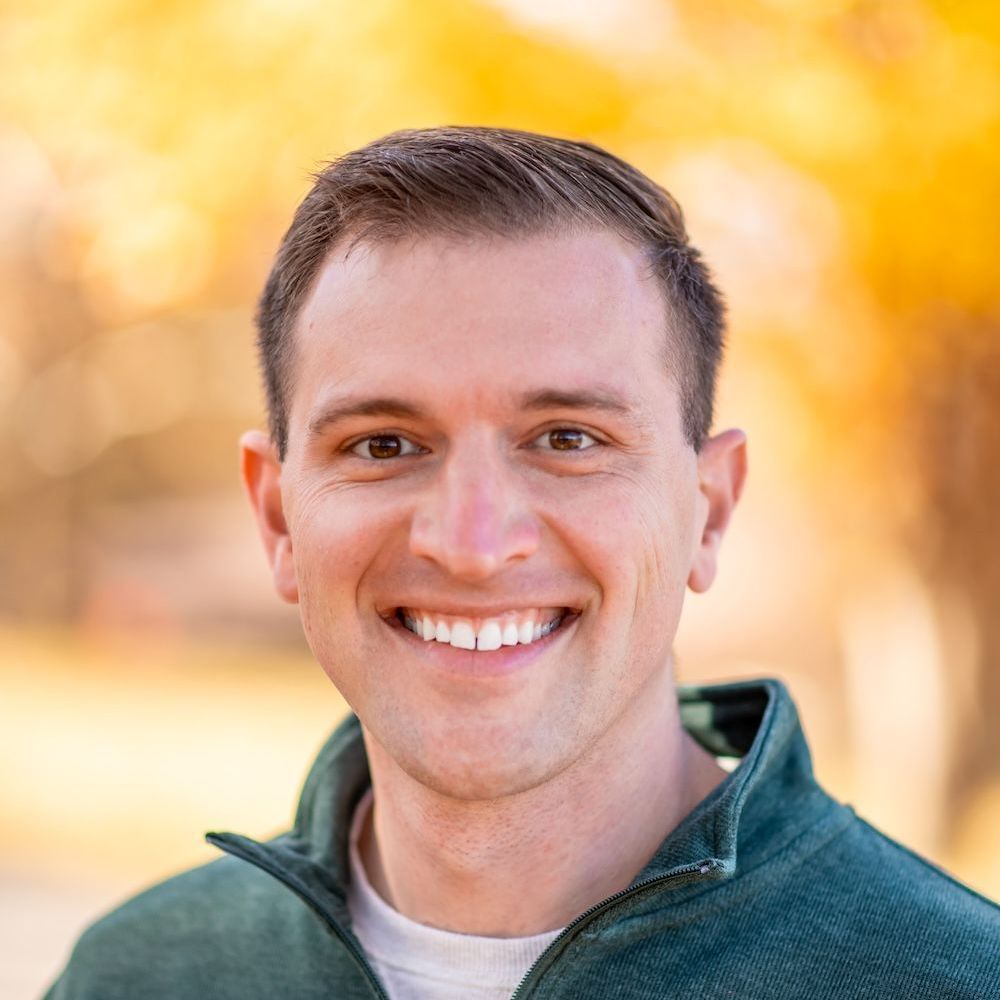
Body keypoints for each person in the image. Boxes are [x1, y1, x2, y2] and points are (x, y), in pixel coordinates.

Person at [45, 127, 998, 1000]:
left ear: (708, 508)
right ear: (278, 518)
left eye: (567, 438)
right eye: (384, 445)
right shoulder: (138, 976)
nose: (470, 542)